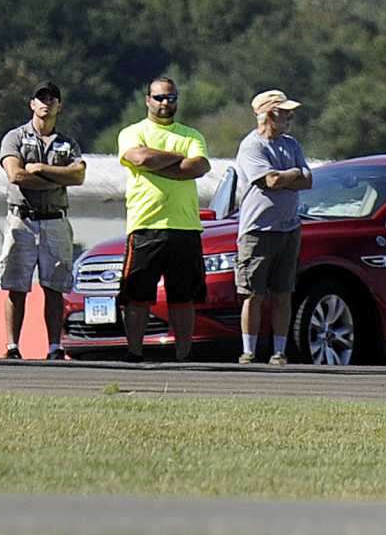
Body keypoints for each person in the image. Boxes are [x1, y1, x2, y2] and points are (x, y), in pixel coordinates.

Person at [116, 76, 210, 361]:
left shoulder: (192, 134)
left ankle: (184, 354)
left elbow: (199, 166)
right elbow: (140, 158)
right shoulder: (132, 132)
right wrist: (176, 158)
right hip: (146, 225)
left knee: (183, 297)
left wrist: (160, 164)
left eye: (171, 97)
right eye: (159, 98)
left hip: (184, 227)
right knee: (137, 294)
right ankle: (135, 352)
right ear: (147, 100)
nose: (165, 103)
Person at [0, 81, 86, 360]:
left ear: (60, 106)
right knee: (16, 285)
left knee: (55, 286)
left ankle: (54, 346)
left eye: (52, 98)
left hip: (55, 220)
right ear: (32, 104)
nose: (46, 103)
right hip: (21, 219)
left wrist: (41, 169)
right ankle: (12, 346)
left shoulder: (67, 143)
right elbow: (15, 175)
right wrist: (56, 178)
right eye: (41, 98)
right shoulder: (14, 137)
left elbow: (79, 176)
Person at [232, 89, 312, 365]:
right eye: (284, 113)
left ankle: (279, 351)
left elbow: (308, 179)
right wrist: (291, 175)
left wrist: (287, 176)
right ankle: (249, 351)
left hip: (289, 228)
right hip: (259, 230)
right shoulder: (252, 146)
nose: (290, 118)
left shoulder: (292, 145)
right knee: (253, 293)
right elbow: (271, 180)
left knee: (283, 292)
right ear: (268, 115)